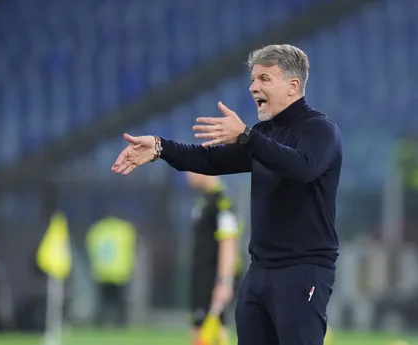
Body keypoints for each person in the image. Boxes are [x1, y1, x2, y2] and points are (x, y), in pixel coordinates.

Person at [112, 44, 343, 345]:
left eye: (264, 79)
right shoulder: (265, 135)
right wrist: (159, 147)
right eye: (252, 79)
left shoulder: (320, 130)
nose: (253, 87)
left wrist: (247, 138)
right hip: (260, 271)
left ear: (293, 85)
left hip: (303, 271)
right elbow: (210, 160)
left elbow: (303, 167)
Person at [185, 172, 242, 345]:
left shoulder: (221, 201)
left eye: (190, 169)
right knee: (200, 331)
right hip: (202, 278)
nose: (187, 174)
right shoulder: (205, 199)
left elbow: (229, 242)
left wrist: (224, 282)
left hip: (213, 280)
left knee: (210, 334)